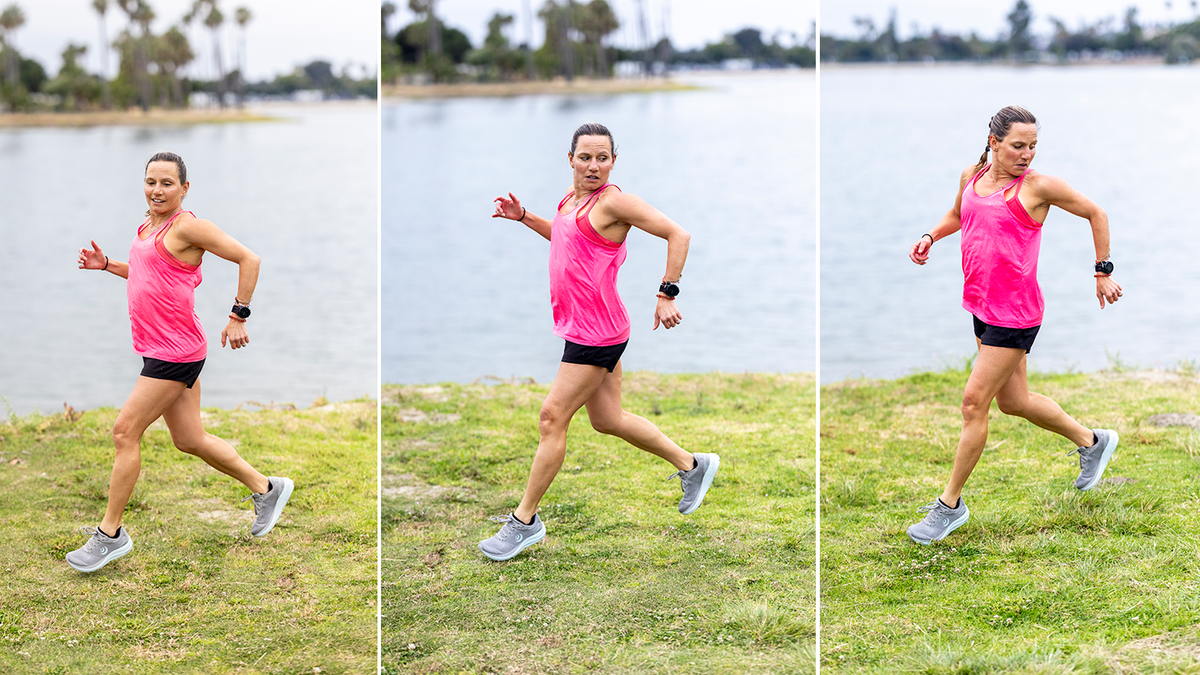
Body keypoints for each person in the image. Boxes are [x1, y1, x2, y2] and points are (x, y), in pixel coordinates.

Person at [482, 122, 719, 561]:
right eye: (586, 157)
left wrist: (667, 293)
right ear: (571, 159)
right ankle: (693, 465)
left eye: (602, 158)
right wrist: (525, 217)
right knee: (608, 419)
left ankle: (524, 522)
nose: (594, 166)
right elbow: (567, 238)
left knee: (551, 418)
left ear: (613, 161)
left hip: (596, 334)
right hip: (587, 327)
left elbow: (679, 234)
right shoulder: (570, 201)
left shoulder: (614, 202)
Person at [905, 106, 1123, 545]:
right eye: (1018, 146)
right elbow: (959, 215)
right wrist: (931, 236)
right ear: (994, 142)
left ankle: (949, 506)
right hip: (981, 306)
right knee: (1015, 401)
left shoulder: (1039, 187)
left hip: (1015, 315)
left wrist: (1102, 271)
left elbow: (1096, 213)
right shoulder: (972, 176)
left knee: (974, 403)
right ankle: (1093, 441)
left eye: (1033, 146)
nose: (1027, 154)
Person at [69, 151, 293, 573]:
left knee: (124, 432)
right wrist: (108, 265)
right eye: (151, 182)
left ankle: (110, 535)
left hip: (175, 352)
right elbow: (149, 274)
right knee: (190, 439)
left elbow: (250, 259)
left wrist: (238, 316)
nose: (157, 190)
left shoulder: (189, 226)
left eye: (167, 183)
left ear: (184, 188)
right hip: (160, 347)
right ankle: (268, 488)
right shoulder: (147, 226)